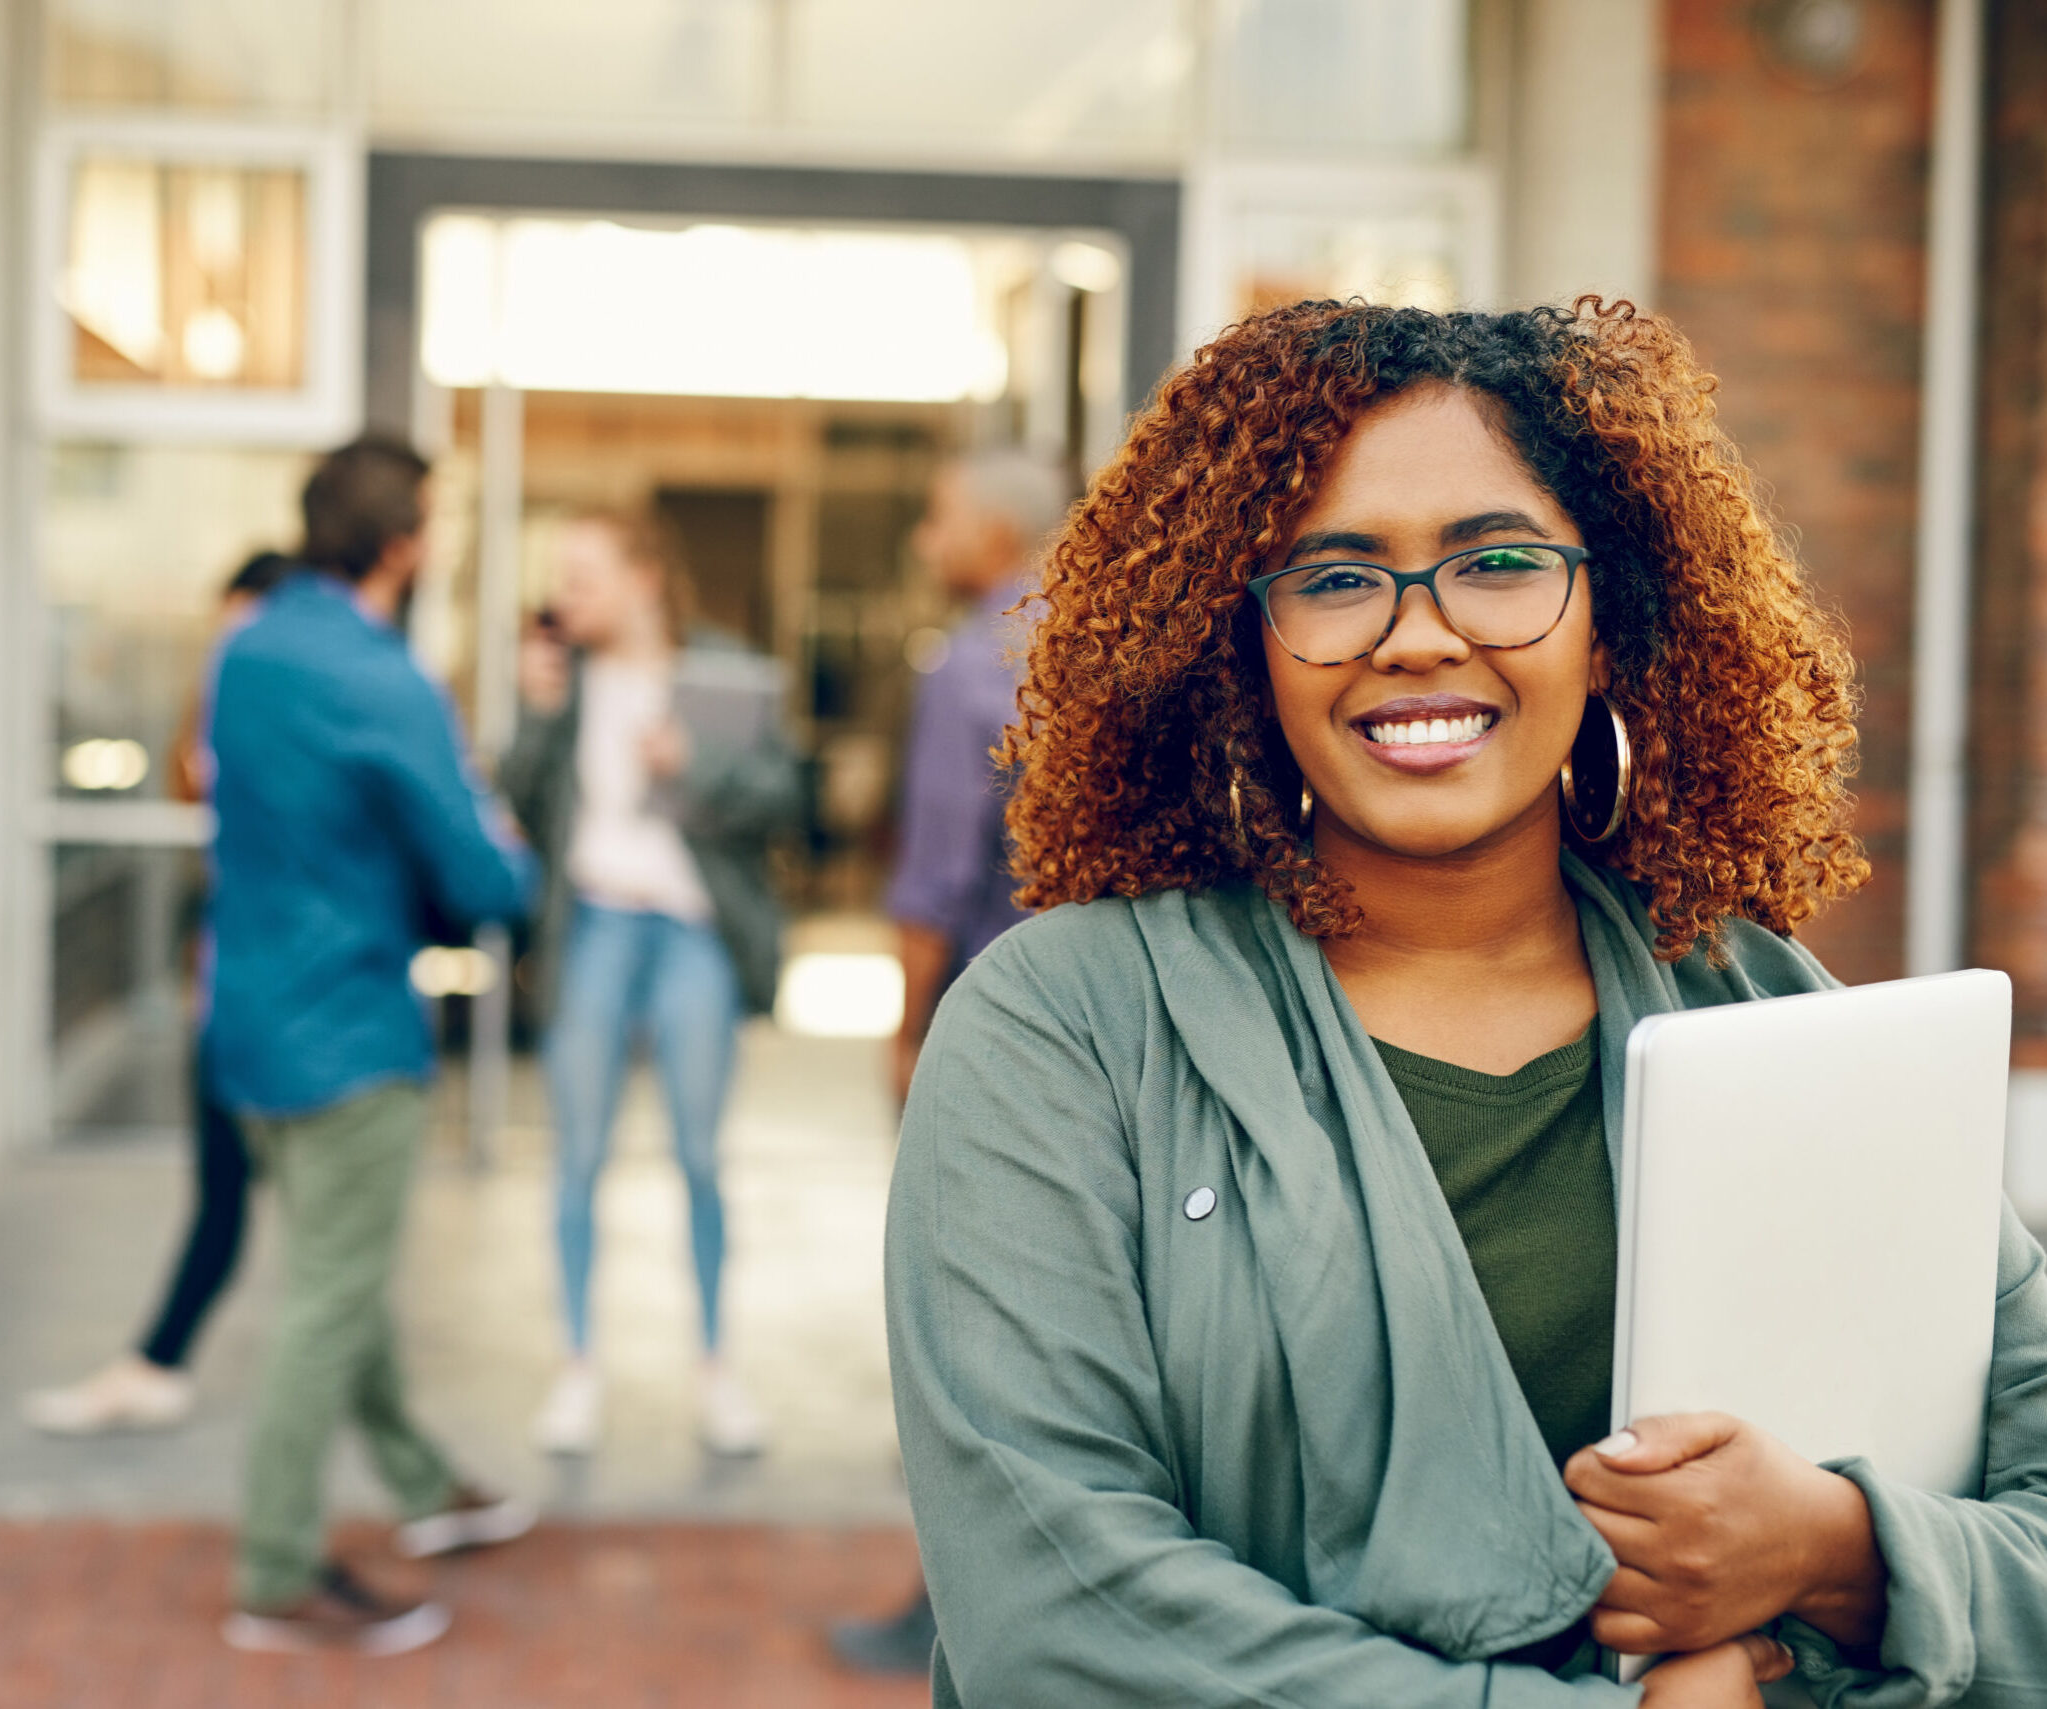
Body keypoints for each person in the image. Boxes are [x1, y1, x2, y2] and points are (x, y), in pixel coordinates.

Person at [889, 299, 2047, 1707]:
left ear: (1606, 625)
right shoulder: (1062, 1033)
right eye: (1332, 578)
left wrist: (1835, 1549)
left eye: (1497, 564)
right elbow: (1052, 1614)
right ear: (1237, 646)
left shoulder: (1756, 1007)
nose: (1417, 637)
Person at [209, 435, 540, 1656]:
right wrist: (509, 844)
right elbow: (480, 876)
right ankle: (275, 1567)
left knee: (333, 1275)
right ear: (404, 540)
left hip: (244, 1020)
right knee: (326, 1298)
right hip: (343, 1024)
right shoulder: (379, 676)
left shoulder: (244, 649)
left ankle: (418, 1482)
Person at [831, 449, 1070, 1677]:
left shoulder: (975, 663)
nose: (927, 540)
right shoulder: (1105, 647)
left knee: (969, 1331)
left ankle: (953, 1608)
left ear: (991, 530)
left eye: (935, 517)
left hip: (997, 1027)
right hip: (1111, 1025)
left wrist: (903, 1033)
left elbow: (931, 879)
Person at [502, 510, 800, 1457]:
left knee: (701, 1157)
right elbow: (510, 801)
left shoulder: (722, 670)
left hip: (689, 934)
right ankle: (577, 1369)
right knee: (577, 1155)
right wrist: (537, 716)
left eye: (583, 576)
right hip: (593, 924)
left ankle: (715, 1370)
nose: (563, 598)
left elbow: (786, 799)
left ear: (643, 578)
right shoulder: (562, 676)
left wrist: (692, 766)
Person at [23, 549, 292, 1438]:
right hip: (231, 983)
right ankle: (157, 1360)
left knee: (300, 1220)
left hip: (277, 997)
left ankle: (158, 1361)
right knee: (233, 1192)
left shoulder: (287, 718)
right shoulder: (220, 709)